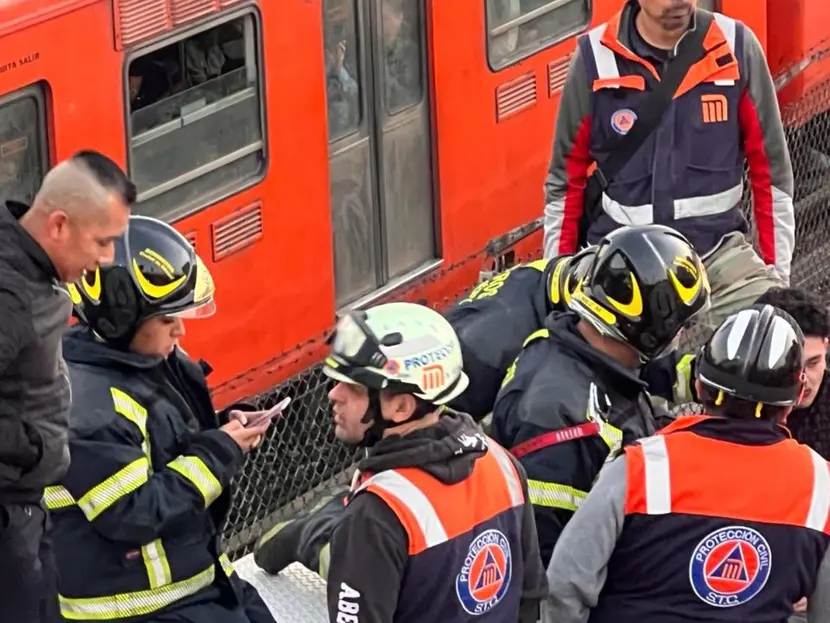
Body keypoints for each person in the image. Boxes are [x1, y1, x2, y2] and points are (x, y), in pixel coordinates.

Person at [252, 250, 594, 578]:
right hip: (424, 395)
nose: (332, 397)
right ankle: (315, 532)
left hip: (428, 393)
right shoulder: (492, 344)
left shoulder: (536, 279)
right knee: (374, 547)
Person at [44, 216, 278, 623]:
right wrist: (221, 449)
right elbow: (134, 512)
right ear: (121, 318)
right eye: (168, 319)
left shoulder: (139, 362)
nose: (181, 331)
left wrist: (224, 426)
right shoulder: (87, 405)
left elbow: (152, 445)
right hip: (141, 606)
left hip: (195, 583)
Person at [544, 304, 830, 623]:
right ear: (794, 399)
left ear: (699, 386)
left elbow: (564, 586)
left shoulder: (641, 468)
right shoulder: (820, 486)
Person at [542, 0, 794, 333]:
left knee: (779, 339)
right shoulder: (595, 59)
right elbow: (564, 182)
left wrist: (777, 278)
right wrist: (555, 281)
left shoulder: (736, 47)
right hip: (623, 270)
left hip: (718, 256)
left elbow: (772, 174)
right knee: (628, 376)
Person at [490, 224, 711, 566]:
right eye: (680, 325)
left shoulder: (585, 354)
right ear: (650, 326)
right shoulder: (555, 415)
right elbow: (549, 558)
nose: (681, 334)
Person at [320, 302, 548, 622]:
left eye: (354, 387)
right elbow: (529, 597)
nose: (334, 394)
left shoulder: (377, 515)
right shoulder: (501, 463)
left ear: (400, 407)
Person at [0, 150, 133, 623]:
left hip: (26, 510)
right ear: (58, 224)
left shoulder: (22, 264)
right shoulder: (10, 296)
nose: (106, 259)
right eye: (102, 241)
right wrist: (31, 449)